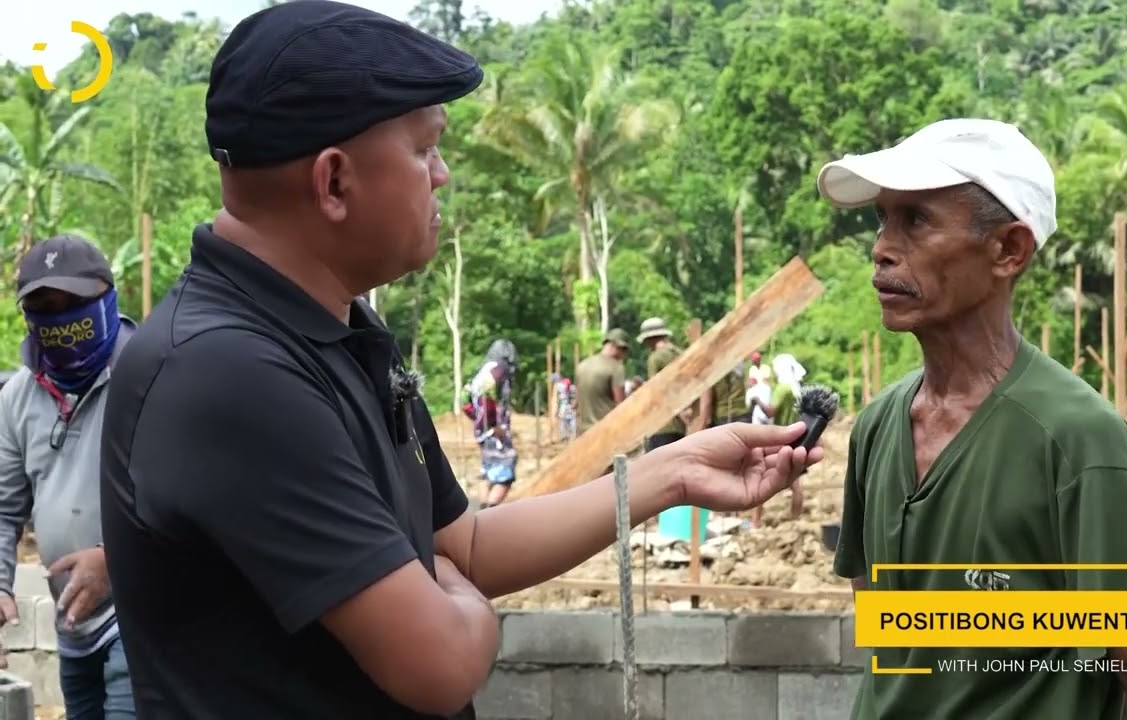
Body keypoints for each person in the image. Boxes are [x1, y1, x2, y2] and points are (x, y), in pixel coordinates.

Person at [97, 4, 822, 718]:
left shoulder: (341, 332)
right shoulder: (224, 373)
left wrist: (674, 473)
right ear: (334, 181)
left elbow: (463, 543)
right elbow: (439, 664)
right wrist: (451, 592)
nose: (440, 175)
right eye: (423, 149)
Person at [818, 118, 1127, 719]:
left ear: (1008, 251)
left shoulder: (1078, 439)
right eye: (881, 219)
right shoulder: (877, 426)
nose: (882, 248)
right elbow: (886, 635)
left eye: (916, 220)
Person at [0, 235, 137, 718]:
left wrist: (114, 559)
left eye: (73, 305)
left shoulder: (151, 375)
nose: (60, 320)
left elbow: (190, 499)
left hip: (141, 615)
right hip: (72, 626)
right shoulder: (17, 398)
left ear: (107, 298)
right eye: (44, 307)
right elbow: (3, 508)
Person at [749, 354, 807, 523]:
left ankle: (755, 522)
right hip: (797, 439)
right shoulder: (797, 389)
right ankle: (795, 519)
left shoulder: (783, 388)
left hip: (781, 439)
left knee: (760, 477)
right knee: (795, 483)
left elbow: (771, 412)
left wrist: (757, 401)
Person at [638, 317, 688, 452]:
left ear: (650, 338)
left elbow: (655, 392)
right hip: (681, 424)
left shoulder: (655, 358)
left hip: (662, 425)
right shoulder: (680, 353)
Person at [575, 328, 629, 435]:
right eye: (624, 350)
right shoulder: (616, 367)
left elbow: (576, 403)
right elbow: (621, 405)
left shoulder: (582, 365)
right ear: (619, 347)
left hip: (583, 432)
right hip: (605, 432)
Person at [554, 376, 577, 441]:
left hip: (570, 410)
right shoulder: (563, 392)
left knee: (572, 425)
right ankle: (565, 437)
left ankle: (571, 437)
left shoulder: (572, 389)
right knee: (564, 424)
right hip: (566, 410)